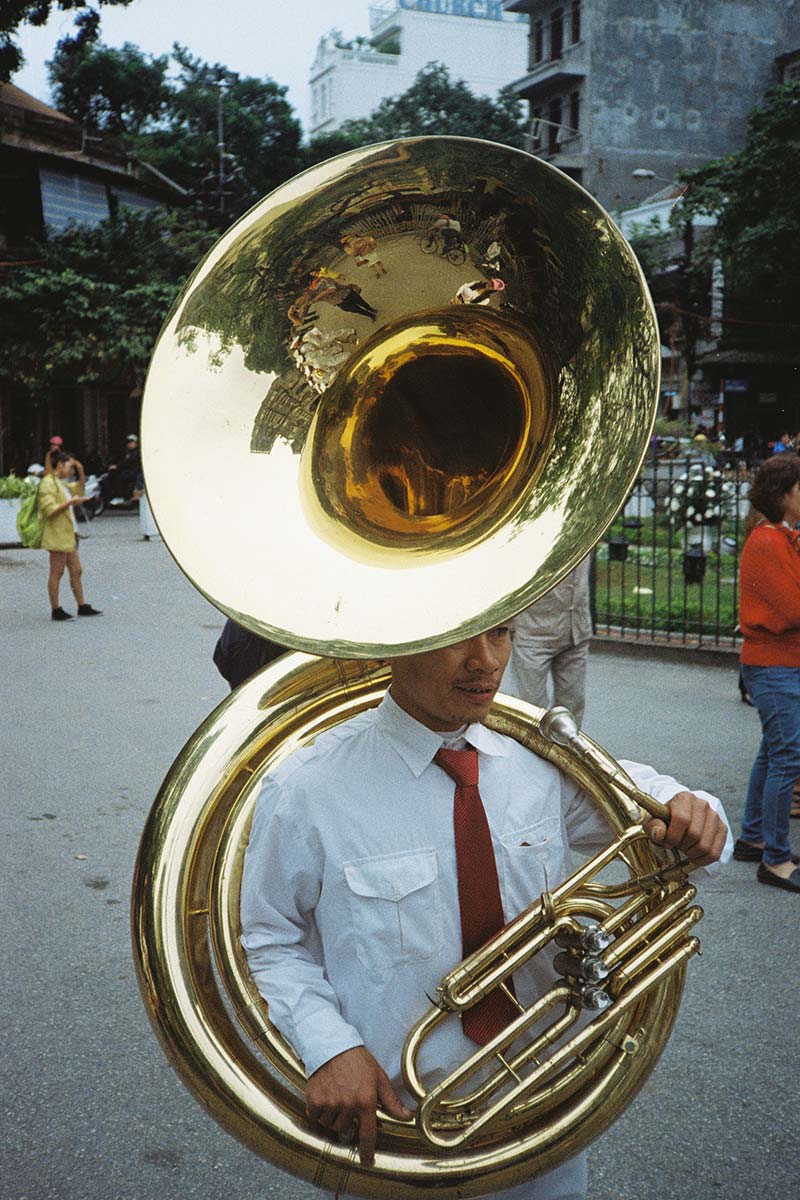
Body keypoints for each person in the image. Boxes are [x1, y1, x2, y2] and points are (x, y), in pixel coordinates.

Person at [241, 626, 730, 1197]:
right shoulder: (309, 787)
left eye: (500, 634)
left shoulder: (540, 761)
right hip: (397, 1137)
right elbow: (270, 937)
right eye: (456, 638)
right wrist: (330, 1046)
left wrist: (692, 812)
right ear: (393, 643)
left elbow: (653, 804)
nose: (487, 662)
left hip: (545, 1122)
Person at [733, 454, 800, 891]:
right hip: (775, 664)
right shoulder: (768, 542)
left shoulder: (780, 538)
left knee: (771, 752)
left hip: (778, 663)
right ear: (784, 495)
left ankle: (753, 837)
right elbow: (794, 608)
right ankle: (775, 860)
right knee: (788, 755)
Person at [503, 556, 592, 727]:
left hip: (576, 631)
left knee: (573, 705)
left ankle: (566, 751)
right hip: (533, 633)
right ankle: (529, 753)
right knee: (530, 710)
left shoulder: (585, 530)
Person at [37, 450, 102, 621]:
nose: (71, 471)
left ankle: (82, 605)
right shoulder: (48, 483)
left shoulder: (61, 483)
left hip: (69, 534)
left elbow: (78, 489)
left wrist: (80, 471)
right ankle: (56, 609)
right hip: (57, 534)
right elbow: (49, 510)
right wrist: (70, 503)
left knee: (76, 570)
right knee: (56, 572)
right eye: (69, 467)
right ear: (59, 465)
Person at [212, 618, 286, 690]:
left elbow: (221, 660)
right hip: (282, 688)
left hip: (242, 689)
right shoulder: (290, 619)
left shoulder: (237, 617)